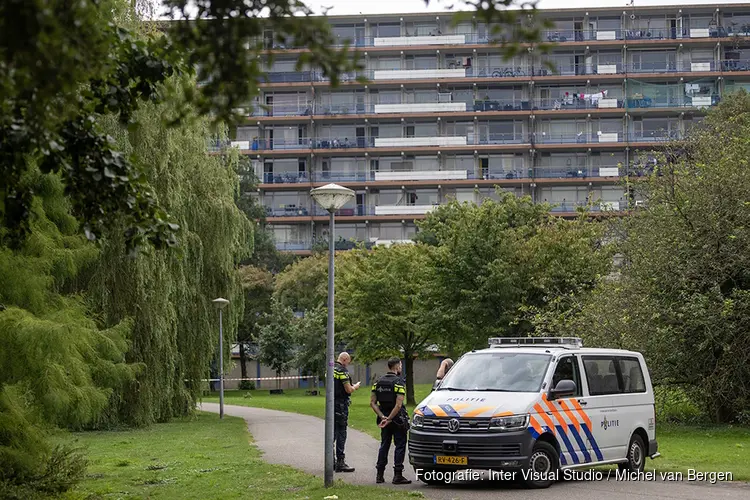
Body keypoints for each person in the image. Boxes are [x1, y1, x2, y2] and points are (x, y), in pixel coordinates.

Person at [370, 357, 412, 485]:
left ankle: (379, 475)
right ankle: (397, 475)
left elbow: (372, 403)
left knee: (384, 445)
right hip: (397, 419)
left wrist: (383, 417)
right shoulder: (399, 383)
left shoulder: (377, 383)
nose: (401, 367)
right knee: (400, 445)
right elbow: (399, 405)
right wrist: (390, 418)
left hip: (383, 418)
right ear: (397, 366)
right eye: (400, 365)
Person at [333, 352, 360, 472]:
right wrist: (355, 387)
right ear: (344, 359)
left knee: (332, 433)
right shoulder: (342, 371)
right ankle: (340, 462)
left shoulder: (331, 369)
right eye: (348, 362)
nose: (347, 365)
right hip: (341, 405)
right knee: (341, 433)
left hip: (331, 404)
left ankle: (331, 461)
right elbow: (348, 389)